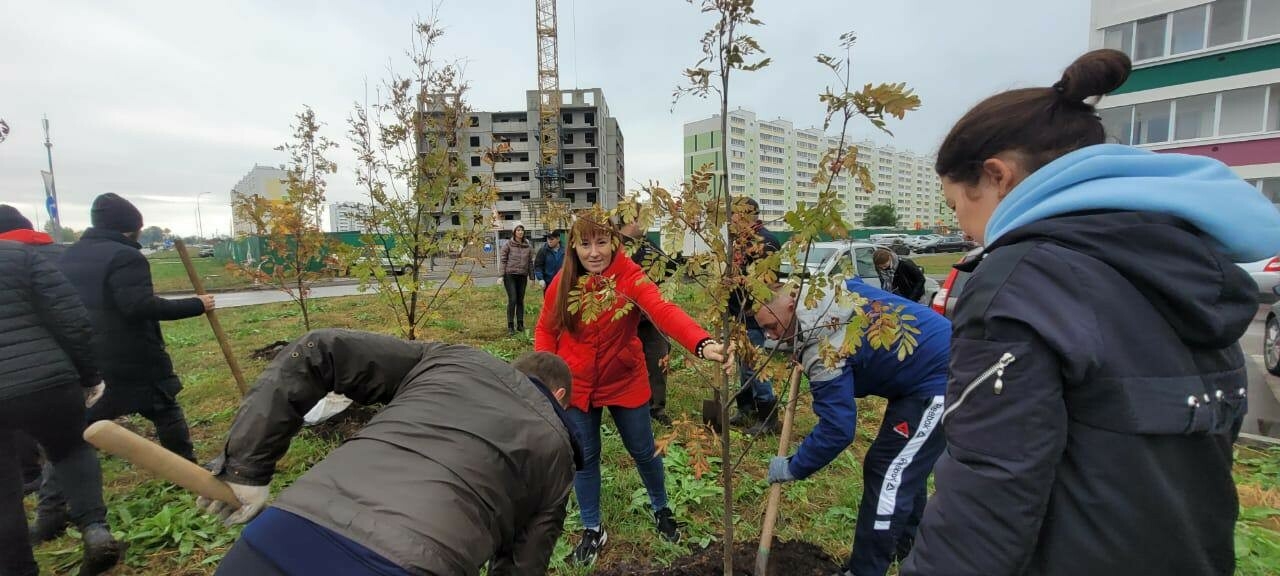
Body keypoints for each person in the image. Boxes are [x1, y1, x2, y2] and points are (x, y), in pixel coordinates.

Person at [901, 50, 1280, 576]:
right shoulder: (1186, 262)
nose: (965, 229)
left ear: (997, 176)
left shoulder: (1020, 280)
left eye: (958, 205)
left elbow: (990, 488)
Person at [198, 329, 581, 576]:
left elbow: (321, 350)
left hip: (283, 535)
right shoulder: (556, 445)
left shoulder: (451, 360)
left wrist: (246, 467)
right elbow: (522, 566)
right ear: (559, 397)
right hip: (405, 564)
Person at [535, 214, 730, 566]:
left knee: (643, 450)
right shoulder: (562, 283)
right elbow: (546, 330)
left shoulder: (629, 278)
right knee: (585, 458)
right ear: (574, 248)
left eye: (601, 242)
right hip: (576, 382)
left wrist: (701, 343)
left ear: (614, 242)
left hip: (624, 378)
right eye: (585, 244)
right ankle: (592, 528)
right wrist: (546, 378)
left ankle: (662, 507)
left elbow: (662, 310)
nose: (594, 253)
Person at [33, 193, 215, 543]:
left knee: (72, 438)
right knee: (164, 407)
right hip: (130, 355)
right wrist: (197, 304)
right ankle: (187, 471)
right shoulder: (125, 256)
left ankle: (50, 511)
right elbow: (137, 306)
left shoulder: (68, 255)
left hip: (85, 358)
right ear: (132, 227)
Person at [755, 278, 950, 576]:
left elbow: (838, 429)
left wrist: (795, 466)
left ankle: (865, 570)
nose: (769, 336)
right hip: (916, 375)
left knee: (888, 471)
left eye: (771, 325)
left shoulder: (823, 351)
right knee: (901, 464)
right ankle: (902, 544)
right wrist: (798, 340)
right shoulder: (831, 288)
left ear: (792, 306)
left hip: (941, 378)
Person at [0, 205, 121, 576]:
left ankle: (17, 567)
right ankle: (95, 529)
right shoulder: (20, 257)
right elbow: (71, 318)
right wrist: (88, 375)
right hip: (46, 381)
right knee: (70, 449)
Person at [618, 213, 681, 426]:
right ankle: (626, 405)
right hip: (622, 318)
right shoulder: (612, 246)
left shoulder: (647, 246)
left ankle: (656, 407)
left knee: (657, 359)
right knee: (623, 362)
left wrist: (653, 287)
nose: (645, 224)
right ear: (627, 221)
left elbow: (670, 267)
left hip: (650, 318)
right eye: (640, 219)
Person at [728, 196, 783, 434]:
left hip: (752, 313)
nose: (730, 220)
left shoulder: (765, 241)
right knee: (744, 362)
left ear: (743, 214)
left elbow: (766, 283)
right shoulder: (741, 241)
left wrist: (751, 305)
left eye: (733, 215)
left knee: (755, 364)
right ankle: (747, 409)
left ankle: (768, 418)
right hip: (738, 313)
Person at [500, 222, 534, 334]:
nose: (520, 232)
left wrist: (532, 278)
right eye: (518, 230)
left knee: (520, 300)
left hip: (522, 276)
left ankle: (520, 324)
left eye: (522, 230)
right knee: (513, 299)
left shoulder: (528, 246)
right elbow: (503, 260)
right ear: (514, 232)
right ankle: (510, 326)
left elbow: (530, 263)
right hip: (510, 275)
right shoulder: (508, 245)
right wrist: (501, 275)